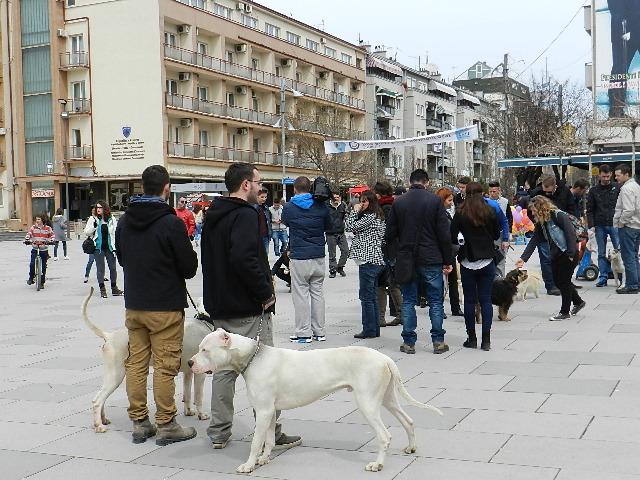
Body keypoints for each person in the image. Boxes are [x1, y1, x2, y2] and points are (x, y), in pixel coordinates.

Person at [201, 162, 300, 450]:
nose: (261, 187)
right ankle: (271, 431)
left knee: (223, 371)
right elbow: (245, 259)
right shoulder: (245, 215)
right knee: (264, 368)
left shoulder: (213, 214)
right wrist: (265, 293)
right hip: (247, 305)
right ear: (245, 184)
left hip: (220, 304)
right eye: (258, 182)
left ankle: (219, 433)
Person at [115, 165, 199, 446]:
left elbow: (123, 259)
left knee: (136, 363)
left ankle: (140, 422)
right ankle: (167, 423)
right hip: (164, 305)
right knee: (165, 366)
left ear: (142, 187)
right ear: (167, 188)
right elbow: (189, 268)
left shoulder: (125, 221)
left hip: (135, 304)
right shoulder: (171, 222)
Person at [385, 169, 453, 355]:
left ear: (410, 181)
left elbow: (389, 234)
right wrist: (447, 260)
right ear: (427, 182)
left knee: (408, 300)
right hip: (431, 257)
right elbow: (443, 234)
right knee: (435, 301)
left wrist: (398, 251)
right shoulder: (434, 201)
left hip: (407, 258)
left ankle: (409, 342)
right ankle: (438, 341)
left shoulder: (399, 202)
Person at [516, 196, 586, 320]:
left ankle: (564, 312)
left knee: (563, 281)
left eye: (533, 210)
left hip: (568, 253)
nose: (532, 213)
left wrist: (570, 254)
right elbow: (535, 239)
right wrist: (523, 258)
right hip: (556, 254)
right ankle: (578, 302)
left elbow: (570, 234)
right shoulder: (542, 222)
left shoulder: (558, 215)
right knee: (559, 281)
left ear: (540, 207)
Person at [450, 183, 501, 350]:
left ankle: (471, 338)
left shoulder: (460, 212)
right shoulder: (490, 211)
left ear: (466, 194)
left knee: (470, 301)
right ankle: (486, 340)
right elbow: (496, 234)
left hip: (467, 261)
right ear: (482, 193)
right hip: (487, 260)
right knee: (486, 300)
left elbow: (452, 236)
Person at [282, 176, 330, 343]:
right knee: (317, 293)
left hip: (299, 256)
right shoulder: (322, 206)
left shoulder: (289, 207)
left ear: (294, 189)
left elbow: (286, 222)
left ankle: (303, 333)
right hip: (318, 255)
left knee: (301, 294)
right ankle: (319, 332)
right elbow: (329, 226)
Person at [345, 190, 386, 339]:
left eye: (364, 201)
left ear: (371, 202)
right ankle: (374, 329)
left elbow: (349, 226)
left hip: (369, 261)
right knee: (372, 297)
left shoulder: (370, 216)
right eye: (360, 201)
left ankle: (369, 330)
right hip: (375, 260)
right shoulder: (378, 215)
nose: (361, 204)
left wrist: (354, 211)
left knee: (366, 297)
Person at [529, 174, 575, 295]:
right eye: (545, 192)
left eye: (549, 192)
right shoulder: (537, 193)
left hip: (559, 230)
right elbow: (532, 210)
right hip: (544, 229)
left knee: (560, 267)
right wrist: (537, 220)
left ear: (555, 186)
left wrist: (571, 252)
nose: (547, 194)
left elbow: (572, 208)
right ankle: (551, 285)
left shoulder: (564, 192)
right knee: (546, 260)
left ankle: (566, 285)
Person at [373, 181, 403, 326]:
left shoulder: (384, 208)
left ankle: (381, 317)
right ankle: (400, 314)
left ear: (378, 194)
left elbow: (386, 231)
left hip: (387, 250)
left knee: (383, 283)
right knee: (392, 283)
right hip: (393, 249)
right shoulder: (395, 205)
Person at [587, 165, 621, 287]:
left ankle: (621, 276)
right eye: (603, 176)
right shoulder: (593, 191)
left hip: (615, 223)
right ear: (599, 175)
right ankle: (603, 277)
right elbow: (589, 209)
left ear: (611, 174)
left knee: (618, 251)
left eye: (608, 176)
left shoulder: (617, 187)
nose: (606, 179)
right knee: (601, 252)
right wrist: (591, 225)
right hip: (599, 224)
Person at [84, 201, 123, 299]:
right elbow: (86, 232)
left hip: (110, 248)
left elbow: (115, 232)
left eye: (100, 207)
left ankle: (114, 288)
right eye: (97, 207)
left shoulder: (112, 219)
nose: (98, 209)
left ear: (105, 208)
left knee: (113, 268)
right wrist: (94, 227)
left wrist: (116, 246)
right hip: (98, 248)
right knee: (100, 269)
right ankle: (102, 290)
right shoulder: (93, 219)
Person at [435, 187, 463, 317]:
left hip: (449, 250)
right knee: (442, 281)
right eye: (449, 200)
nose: (451, 203)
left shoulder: (445, 213)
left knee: (451, 280)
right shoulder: (439, 214)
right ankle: (442, 307)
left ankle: (455, 307)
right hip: (443, 251)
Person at [613, 163, 640, 294]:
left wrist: (621, 223)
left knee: (628, 256)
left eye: (618, 175)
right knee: (634, 255)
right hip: (636, 225)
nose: (616, 178)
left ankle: (632, 285)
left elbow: (628, 209)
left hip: (628, 226)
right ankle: (637, 282)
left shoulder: (626, 188)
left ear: (626, 174)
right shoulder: (636, 186)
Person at [487, 180, 513, 278]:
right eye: (490, 191)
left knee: (501, 260)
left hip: (502, 234)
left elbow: (509, 218)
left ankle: (501, 281)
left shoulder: (505, 202)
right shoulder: (486, 202)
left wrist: (508, 233)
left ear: (499, 190)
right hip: (489, 235)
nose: (492, 194)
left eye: (494, 191)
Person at [24, 215, 54, 287]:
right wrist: (27, 239)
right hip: (35, 248)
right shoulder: (33, 227)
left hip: (43, 249)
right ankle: (31, 278)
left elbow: (52, 235)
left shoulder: (47, 228)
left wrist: (51, 240)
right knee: (32, 264)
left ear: (42, 220)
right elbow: (29, 233)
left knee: (43, 266)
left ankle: (42, 282)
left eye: (39, 219)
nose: (37, 220)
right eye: (36, 219)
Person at [326, 192, 349, 278]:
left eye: (337, 197)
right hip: (330, 233)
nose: (336, 199)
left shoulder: (343, 205)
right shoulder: (326, 206)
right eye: (334, 197)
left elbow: (346, 217)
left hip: (341, 232)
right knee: (332, 254)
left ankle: (340, 267)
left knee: (346, 251)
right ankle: (332, 270)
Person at [255, 189, 272, 254]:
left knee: (265, 256)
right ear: (257, 196)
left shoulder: (266, 208)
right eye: (262, 197)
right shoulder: (252, 207)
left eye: (265, 197)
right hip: (256, 237)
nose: (264, 199)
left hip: (266, 236)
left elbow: (268, 221)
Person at [84, 205, 96, 283]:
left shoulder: (102, 218)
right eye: (93, 211)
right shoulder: (91, 219)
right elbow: (87, 232)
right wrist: (94, 228)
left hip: (101, 243)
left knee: (101, 261)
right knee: (91, 260)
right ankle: (86, 275)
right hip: (92, 242)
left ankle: (102, 275)